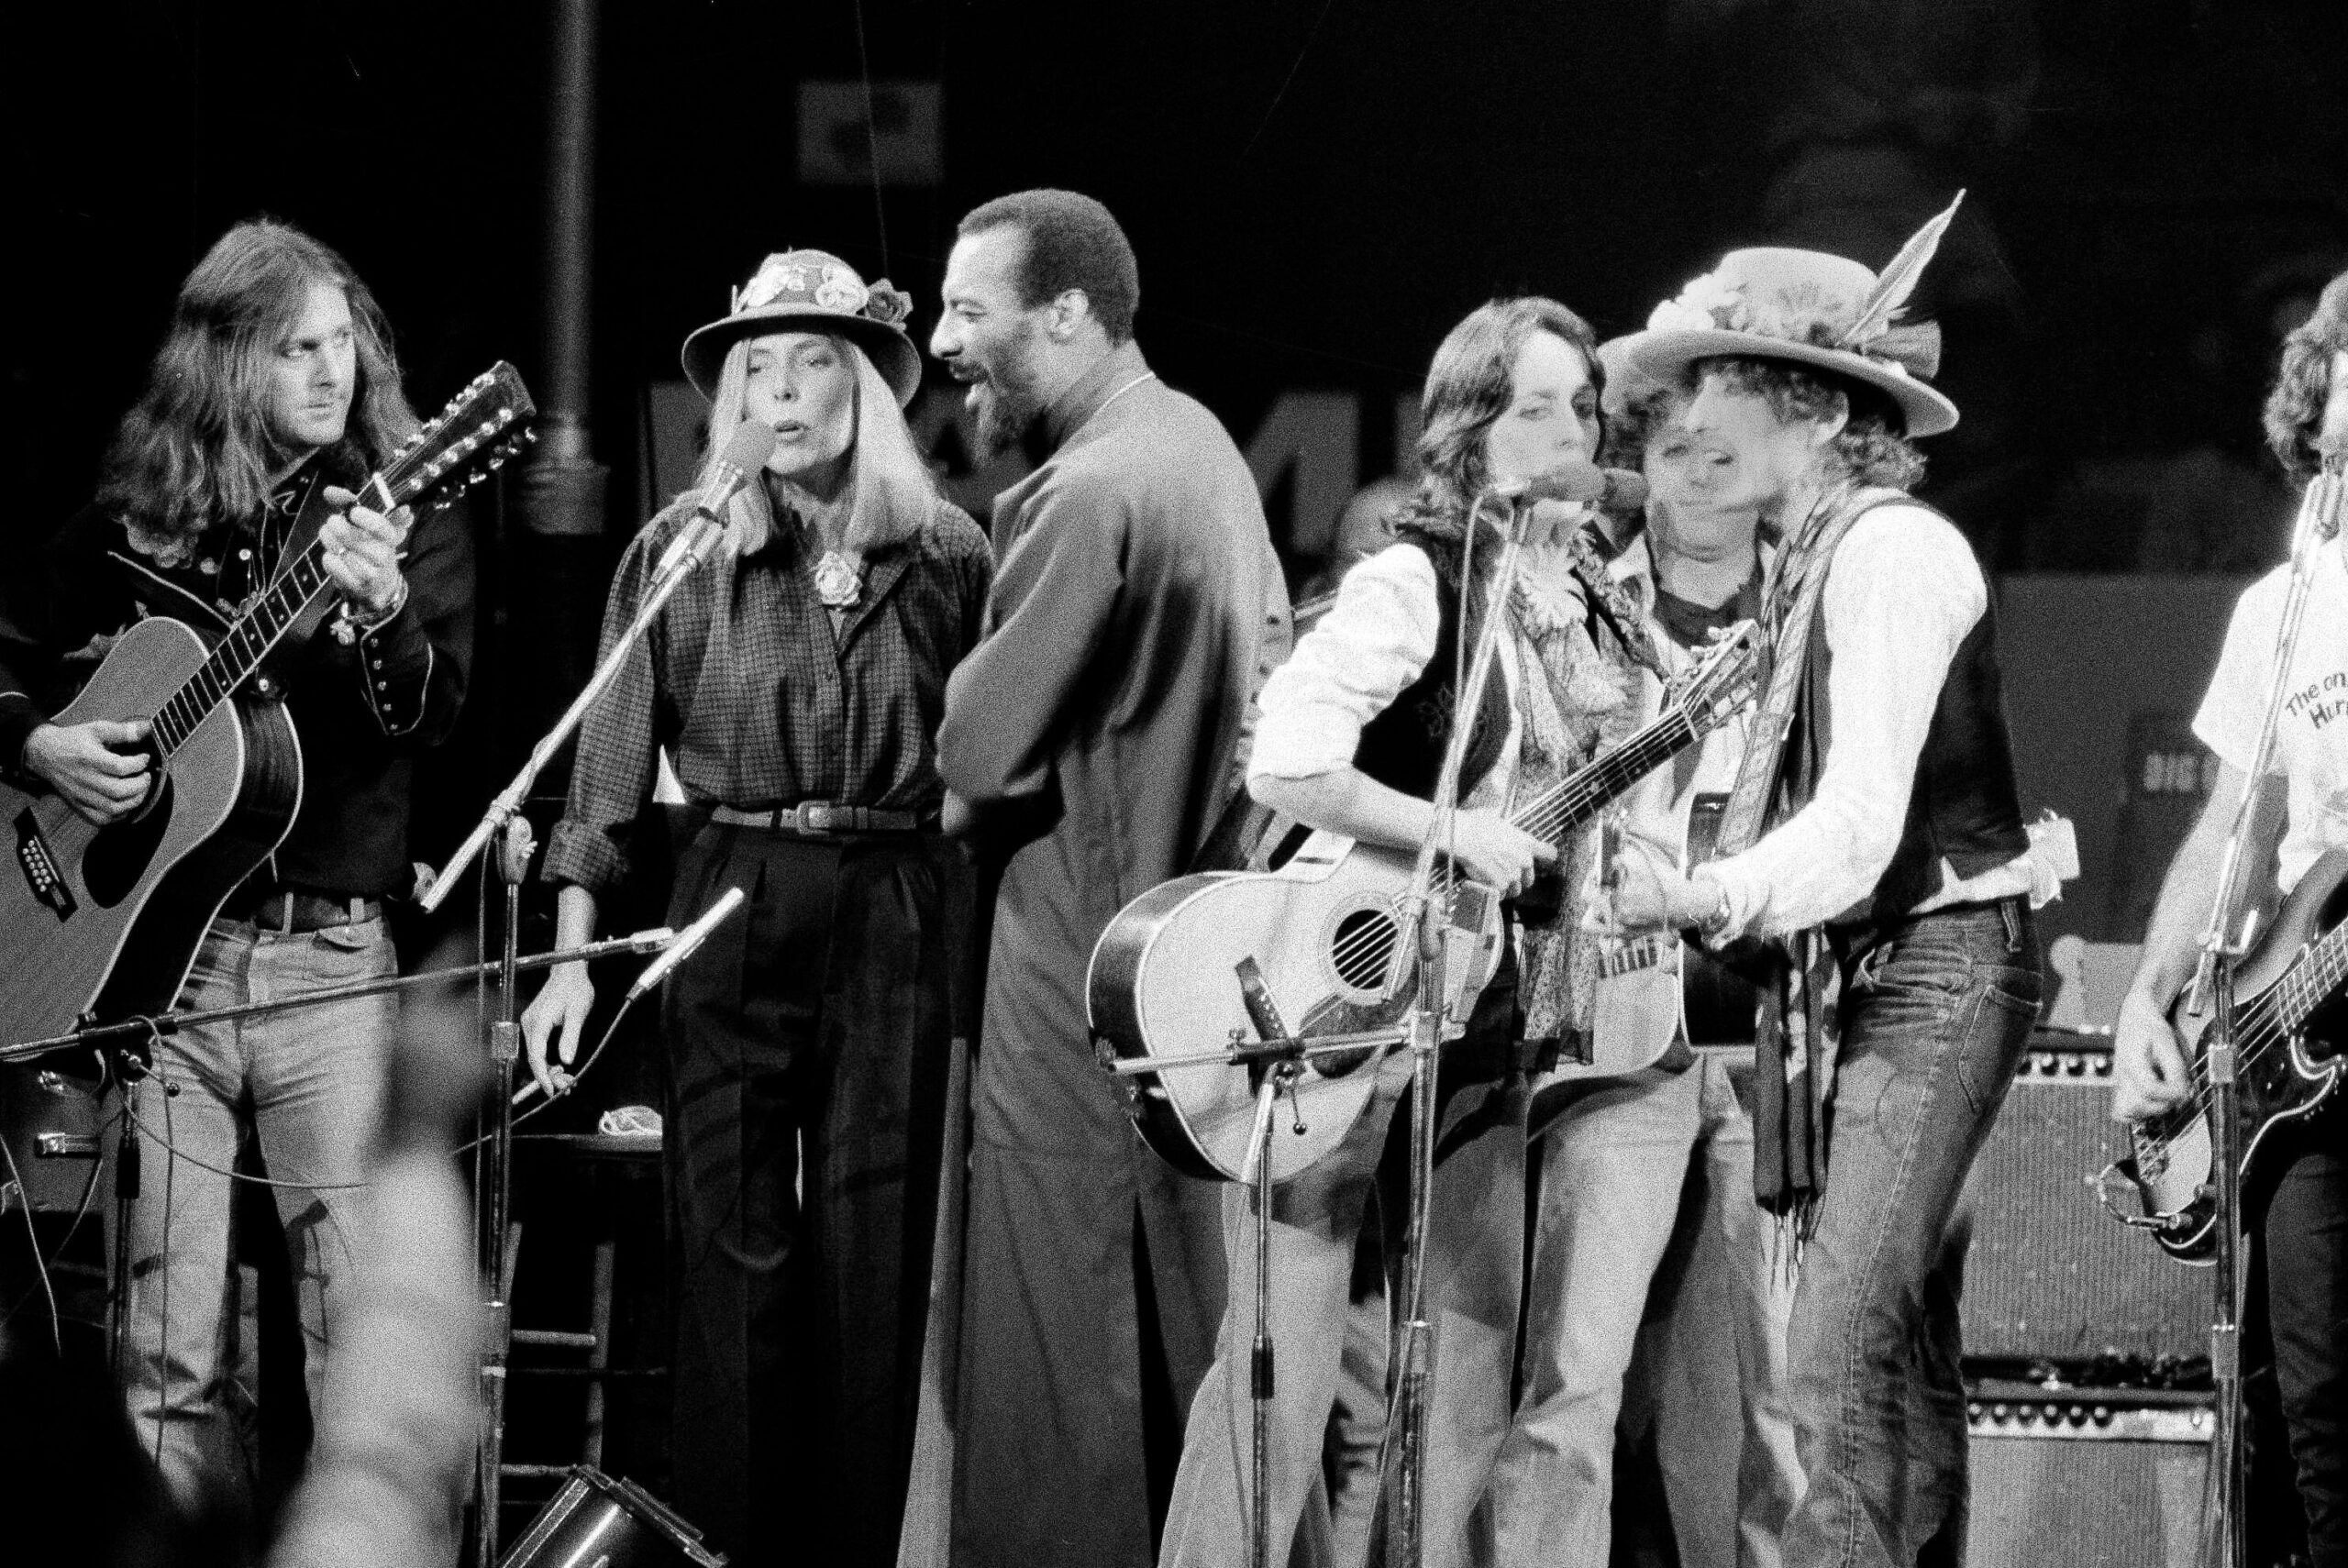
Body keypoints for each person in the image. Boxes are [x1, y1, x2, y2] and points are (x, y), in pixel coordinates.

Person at [1159, 294, 1651, 1568]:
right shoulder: (1419, 575)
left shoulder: (1587, 597)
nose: (1567, 428)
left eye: (1580, 405)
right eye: (1534, 404)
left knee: (1470, 1354)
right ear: (1472, 426)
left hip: (1486, 1003)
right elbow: (1288, 761)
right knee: (1281, 1362)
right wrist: (1449, 833)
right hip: (1343, 992)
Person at [0, 219, 474, 1528]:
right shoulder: (139, 514)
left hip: (329, 962)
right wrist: (37, 738)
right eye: (293, 349)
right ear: (226, 364)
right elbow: (8, 648)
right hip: (167, 971)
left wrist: (379, 617)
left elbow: (430, 718)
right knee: (165, 1333)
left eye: (341, 345)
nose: (329, 373)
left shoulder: (400, 506)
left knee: (351, 1323)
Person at [522, 250, 991, 1567]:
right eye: (758, 369)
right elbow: (607, 763)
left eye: (814, 362)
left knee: (873, 1249)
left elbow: (998, 754)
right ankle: (731, 1546)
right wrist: (570, 959)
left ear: (867, 382)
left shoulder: (948, 548)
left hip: (897, 889)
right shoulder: (683, 549)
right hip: (731, 878)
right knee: (729, 1243)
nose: (783, 391)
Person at [1604, 231, 2065, 1568]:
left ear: (1806, 403)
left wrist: (1704, 892)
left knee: (1838, 1346)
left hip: (1939, 965)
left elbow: (1862, 829)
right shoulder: (1814, 557)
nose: (1686, 421)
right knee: (1894, 1342)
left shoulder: (1889, 553)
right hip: (1884, 977)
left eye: (1717, 383)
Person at [929, 188, 1290, 1568]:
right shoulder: (1198, 445)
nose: (951, 341)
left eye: (972, 308)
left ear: (1069, 312)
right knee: (1171, 1331)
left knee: (1051, 1357)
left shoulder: (1083, 488)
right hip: (1183, 954)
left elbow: (978, 745)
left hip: (1073, 960)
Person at [1484, 357, 1800, 1566]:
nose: (1702, 468)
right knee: (1571, 1383)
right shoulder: (1574, 598)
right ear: (1639, 457)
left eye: (1729, 448)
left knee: (1792, 1402)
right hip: (1619, 1036)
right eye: (1676, 446)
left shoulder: (1828, 606)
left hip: (1781, 1045)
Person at [2112, 267, 2348, 1568]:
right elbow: (2230, 825)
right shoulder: (2286, 603)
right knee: (2298, 1421)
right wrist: (2152, 993)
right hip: (2301, 1043)